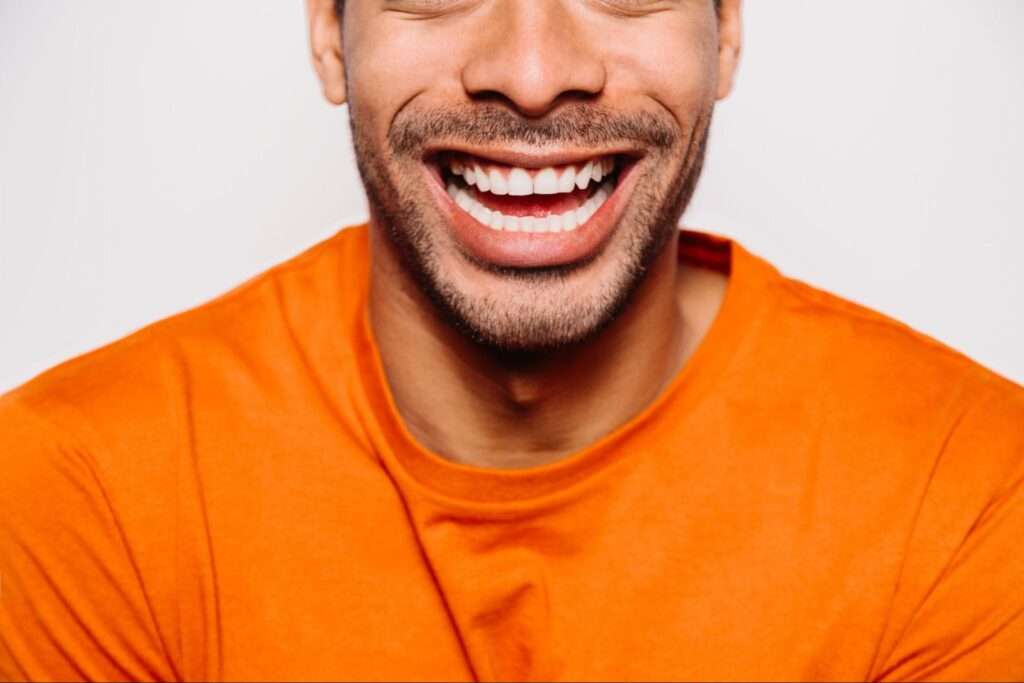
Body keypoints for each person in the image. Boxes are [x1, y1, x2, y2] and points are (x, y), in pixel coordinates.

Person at [1, 0, 1022, 680]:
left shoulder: (970, 491)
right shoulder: (79, 493)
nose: (533, 77)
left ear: (726, 35)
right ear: (327, 35)